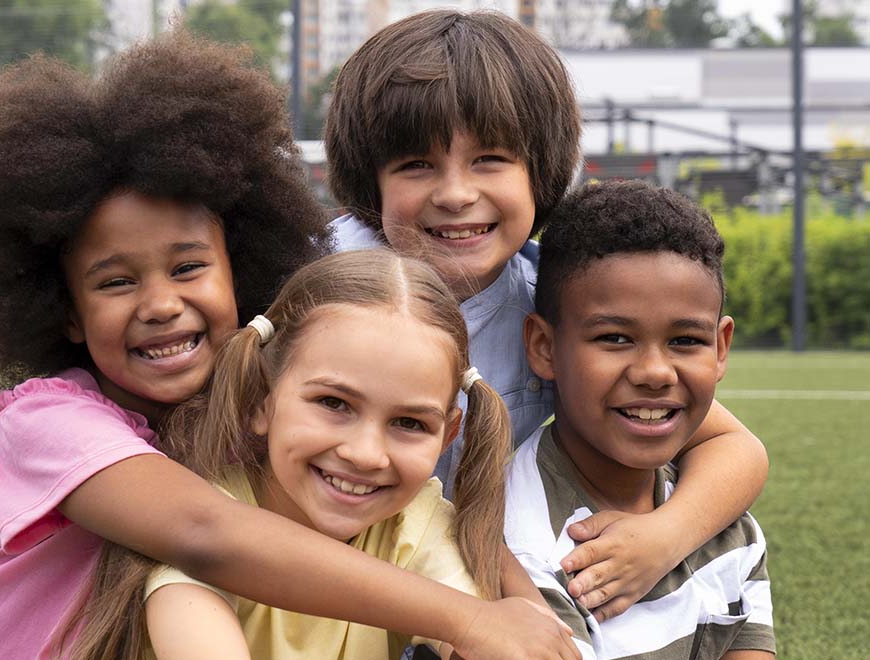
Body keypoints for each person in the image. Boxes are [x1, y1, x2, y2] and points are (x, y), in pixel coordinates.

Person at [0, 32, 572, 660]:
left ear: (240, 266)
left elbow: (433, 510)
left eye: (188, 268)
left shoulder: (259, 399)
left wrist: (515, 601)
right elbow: (205, 534)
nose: (160, 303)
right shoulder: (48, 426)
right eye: (116, 281)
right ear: (61, 307)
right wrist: (465, 618)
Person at [323, 9, 770, 619]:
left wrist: (663, 538)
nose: (455, 193)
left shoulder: (551, 301)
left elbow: (734, 447)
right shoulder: (311, 286)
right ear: (370, 180)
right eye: (416, 164)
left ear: (541, 169)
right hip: (326, 585)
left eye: (490, 159)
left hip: (490, 590)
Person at [71, 249, 574, 660]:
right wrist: (475, 624)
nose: (364, 454)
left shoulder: (416, 525)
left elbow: (486, 643)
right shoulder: (204, 523)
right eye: (334, 404)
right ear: (258, 402)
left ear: (447, 436)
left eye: (408, 423)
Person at [506, 180, 775, 659]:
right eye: (614, 338)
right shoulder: (527, 546)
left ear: (721, 347)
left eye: (686, 340)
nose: (655, 372)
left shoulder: (724, 521)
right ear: (544, 348)